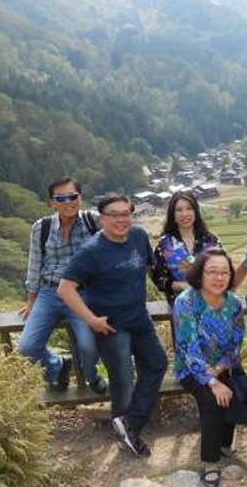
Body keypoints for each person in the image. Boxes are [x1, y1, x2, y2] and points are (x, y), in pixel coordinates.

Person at [58, 194, 168, 457]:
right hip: (111, 326)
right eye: (114, 215)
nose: (122, 219)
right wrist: (91, 320)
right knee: (122, 380)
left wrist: (175, 289)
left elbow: (152, 268)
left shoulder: (139, 236)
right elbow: (66, 289)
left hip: (139, 317)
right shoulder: (92, 251)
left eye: (126, 213)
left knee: (158, 363)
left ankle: (129, 424)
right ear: (102, 218)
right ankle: (129, 434)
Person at [18, 177, 107, 394]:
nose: (69, 202)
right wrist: (31, 300)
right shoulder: (42, 227)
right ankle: (56, 364)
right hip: (49, 293)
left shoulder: (93, 221)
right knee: (27, 347)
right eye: (61, 198)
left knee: (88, 346)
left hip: (81, 293)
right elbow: (35, 263)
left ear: (80, 197)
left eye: (73, 196)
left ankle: (92, 376)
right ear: (52, 202)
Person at [172, 249, 247, 487]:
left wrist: (221, 368)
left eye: (225, 272)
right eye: (212, 271)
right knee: (212, 399)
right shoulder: (186, 302)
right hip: (192, 369)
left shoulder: (234, 304)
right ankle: (210, 461)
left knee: (238, 389)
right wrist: (211, 379)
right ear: (200, 274)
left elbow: (237, 341)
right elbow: (187, 346)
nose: (219, 277)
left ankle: (223, 444)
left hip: (223, 364)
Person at [152, 191, 220, 306]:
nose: (185, 214)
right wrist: (181, 285)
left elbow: (223, 272)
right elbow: (159, 280)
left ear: (195, 211)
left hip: (211, 306)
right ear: (172, 214)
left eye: (189, 208)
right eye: (179, 210)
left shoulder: (211, 241)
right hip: (181, 310)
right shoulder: (164, 245)